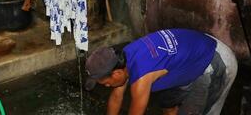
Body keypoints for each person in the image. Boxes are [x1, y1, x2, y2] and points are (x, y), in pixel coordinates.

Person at [85, 28, 238, 115]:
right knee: (167, 104)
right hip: (190, 55)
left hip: (214, 61)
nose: (106, 87)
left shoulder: (141, 79)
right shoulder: (121, 59)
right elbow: (116, 98)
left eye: (105, 83)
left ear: (116, 73)